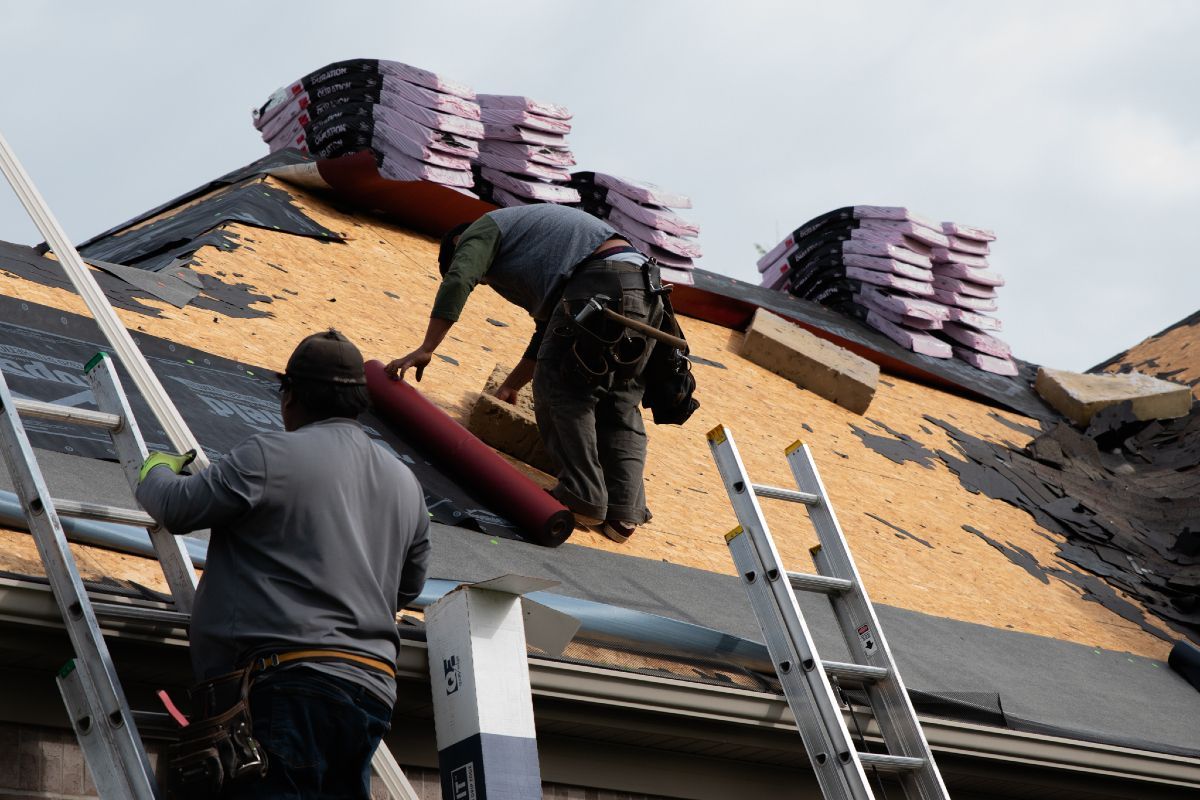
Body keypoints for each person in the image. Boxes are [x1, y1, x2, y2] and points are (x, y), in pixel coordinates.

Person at [137, 329, 431, 799]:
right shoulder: (405, 483)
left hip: (288, 686)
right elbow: (408, 588)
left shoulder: (269, 457)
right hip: (370, 693)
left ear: (290, 396)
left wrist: (154, 470)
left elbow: (177, 509)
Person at [386, 203, 664, 544]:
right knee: (619, 399)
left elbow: (460, 278)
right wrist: (511, 385)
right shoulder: (539, 242)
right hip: (648, 293)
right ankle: (623, 513)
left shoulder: (481, 230)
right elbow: (549, 332)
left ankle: (583, 495)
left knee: (563, 388)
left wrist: (427, 347)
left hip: (602, 284)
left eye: (484, 276)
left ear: (459, 244)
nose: (488, 281)